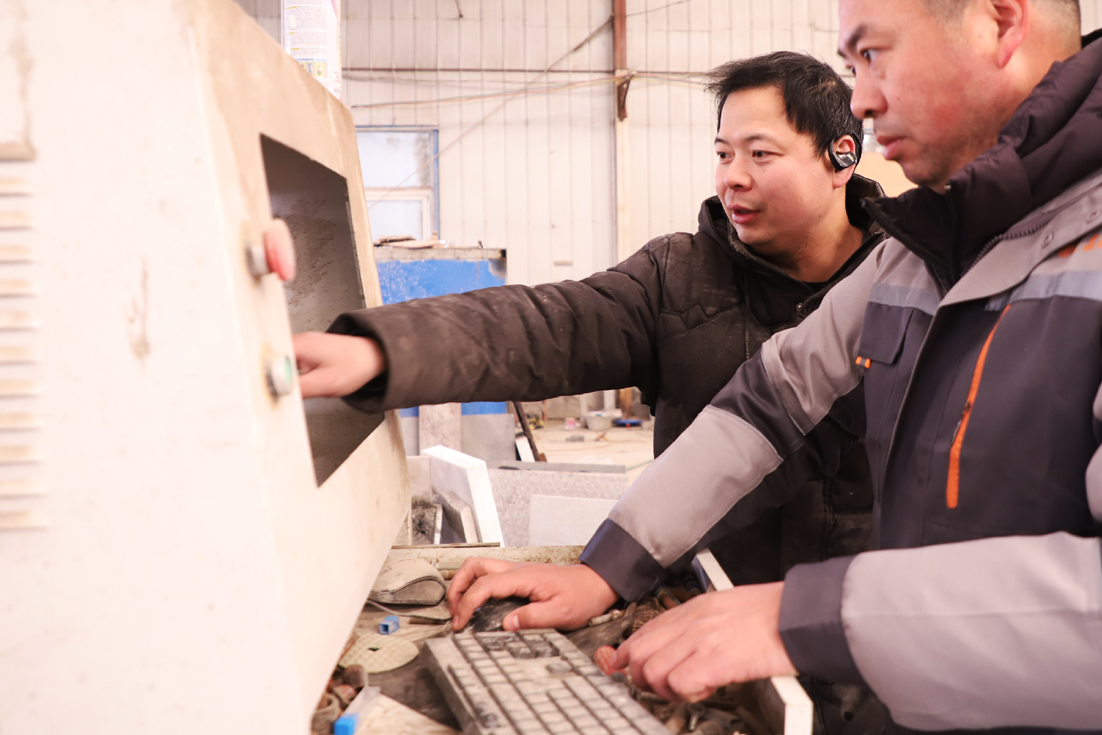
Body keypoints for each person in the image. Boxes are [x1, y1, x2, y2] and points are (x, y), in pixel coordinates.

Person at [446, 0, 1102, 735]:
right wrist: (607, 567)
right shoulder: (932, 244)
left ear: (1000, 20)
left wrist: (806, 616)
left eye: (873, 55)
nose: (861, 101)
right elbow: (771, 403)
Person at [295, 51, 892, 731]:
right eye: (722, 153)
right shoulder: (679, 279)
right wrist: (383, 349)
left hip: (870, 645)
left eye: (760, 153)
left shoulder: (909, 284)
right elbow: (549, 326)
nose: (733, 176)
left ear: (841, 157)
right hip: (697, 632)